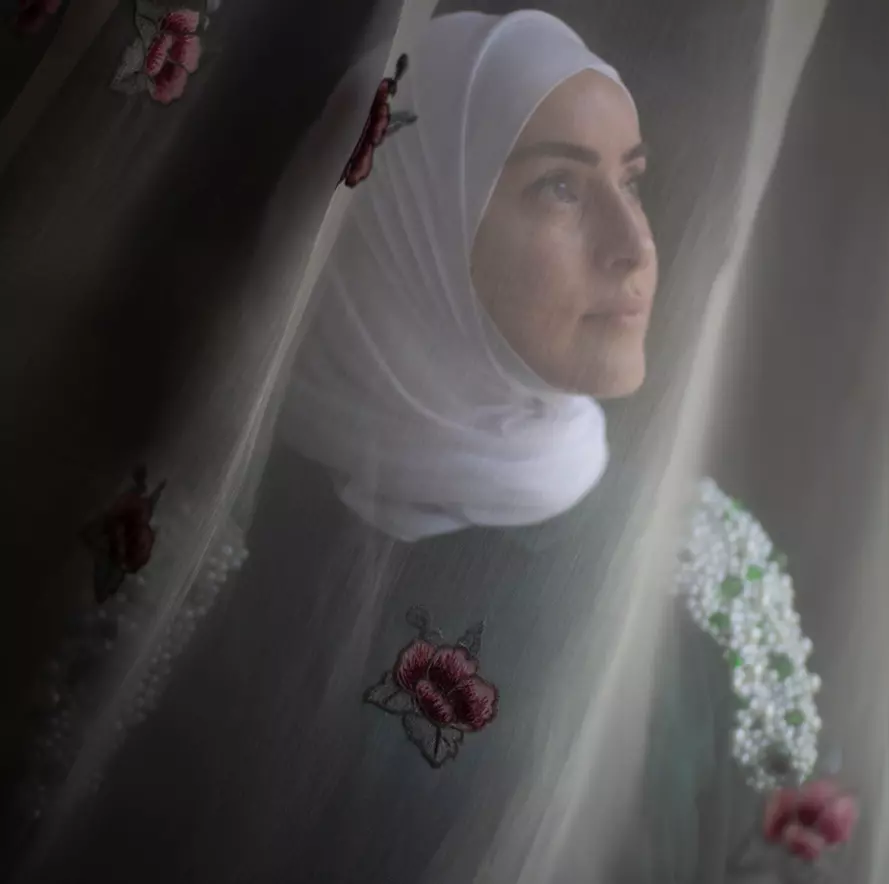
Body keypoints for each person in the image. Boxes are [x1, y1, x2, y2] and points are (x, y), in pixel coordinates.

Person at [15, 9, 845, 884]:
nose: (633, 245)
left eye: (630, 181)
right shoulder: (196, 530)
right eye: (559, 188)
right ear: (413, 218)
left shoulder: (706, 576)